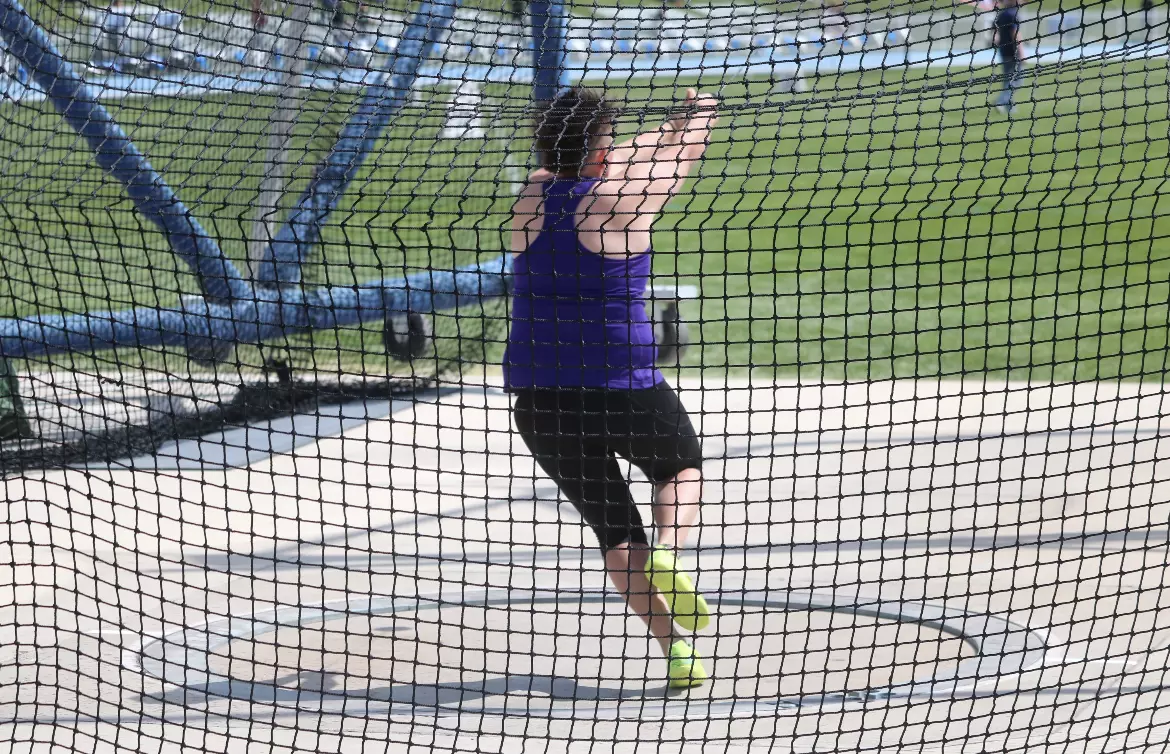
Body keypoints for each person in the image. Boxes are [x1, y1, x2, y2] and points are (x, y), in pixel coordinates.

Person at [504, 86, 719, 689]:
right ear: (600, 153)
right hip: (622, 383)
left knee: (616, 532)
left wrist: (661, 130)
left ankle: (676, 652)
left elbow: (607, 156)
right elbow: (680, 160)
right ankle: (672, 550)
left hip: (541, 398)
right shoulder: (623, 201)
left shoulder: (531, 194)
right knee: (680, 469)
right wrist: (696, 118)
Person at [993, 0, 1026, 114]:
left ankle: (1009, 106)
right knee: (1019, 79)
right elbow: (1015, 34)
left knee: (1008, 79)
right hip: (1013, 52)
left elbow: (995, 30)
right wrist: (1021, 53)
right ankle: (1001, 100)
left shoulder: (1002, 14)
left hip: (1003, 51)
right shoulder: (1013, 14)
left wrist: (997, 39)